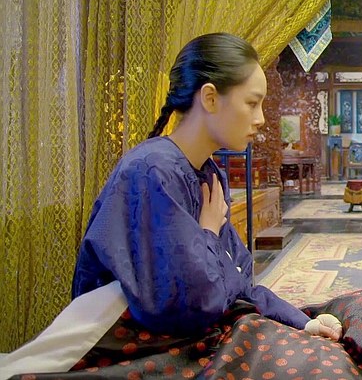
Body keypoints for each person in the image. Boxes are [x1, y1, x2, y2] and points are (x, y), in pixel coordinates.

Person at [0, 33, 342, 378]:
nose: (261, 119)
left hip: (188, 331)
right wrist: (208, 233)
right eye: (252, 103)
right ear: (210, 98)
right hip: (133, 341)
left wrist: (302, 322)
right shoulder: (153, 171)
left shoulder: (208, 173)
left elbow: (236, 279)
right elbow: (191, 304)